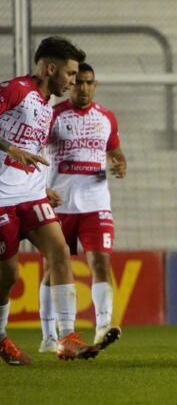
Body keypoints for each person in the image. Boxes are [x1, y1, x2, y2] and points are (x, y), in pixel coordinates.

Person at [0, 36, 100, 366]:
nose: (73, 81)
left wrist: (42, 188)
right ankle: (1, 336)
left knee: (59, 250)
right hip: (1, 198)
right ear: (51, 68)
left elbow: (35, 148)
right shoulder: (17, 90)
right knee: (9, 276)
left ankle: (68, 336)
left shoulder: (46, 106)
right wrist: (9, 148)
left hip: (30, 194)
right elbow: (18, 144)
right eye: (70, 74)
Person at [38, 62, 127, 354]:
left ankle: (103, 326)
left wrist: (119, 163)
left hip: (96, 203)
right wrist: (41, 190)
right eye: (78, 83)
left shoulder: (107, 118)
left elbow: (114, 151)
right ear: (70, 84)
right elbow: (35, 151)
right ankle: (50, 336)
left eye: (89, 83)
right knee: (53, 268)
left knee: (101, 262)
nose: (84, 88)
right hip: (60, 205)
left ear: (95, 85)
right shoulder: (52, 116)